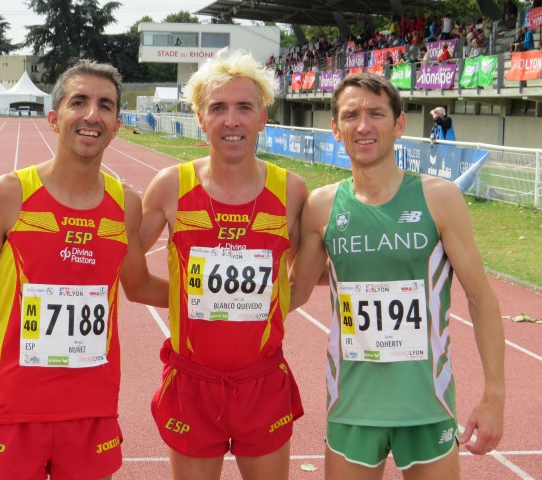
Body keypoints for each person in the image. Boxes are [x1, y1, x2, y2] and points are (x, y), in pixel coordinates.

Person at [0, 59, 168, 480]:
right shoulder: (8, 195)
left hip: (91, 410)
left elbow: (137, 285)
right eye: (78, 102)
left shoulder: (126, 205)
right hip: (11, 407)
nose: (91, 115)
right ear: (54, 118)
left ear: (117, 123)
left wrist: (217, 297)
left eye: (105, 106)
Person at [289, 73, 505, 480]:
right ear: (335, 129)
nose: (363, 125)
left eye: (376, 113)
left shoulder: (439, 197)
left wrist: (494, 394)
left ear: (399, 124)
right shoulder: (322, 206)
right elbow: (295, 291)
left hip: (426, 403)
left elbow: (481, 298)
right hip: (352, 404)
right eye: (351, 115)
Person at [139, 48, 308, 480]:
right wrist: (190, 301)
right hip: (192, 383)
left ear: (262, 118)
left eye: (244, 107)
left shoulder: (291, 191)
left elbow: (302, 283)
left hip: (262, 382)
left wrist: (254, 308)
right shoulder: (171, 187)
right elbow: (129, 277)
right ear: (200, 117)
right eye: (218, 108)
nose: (231, 120)